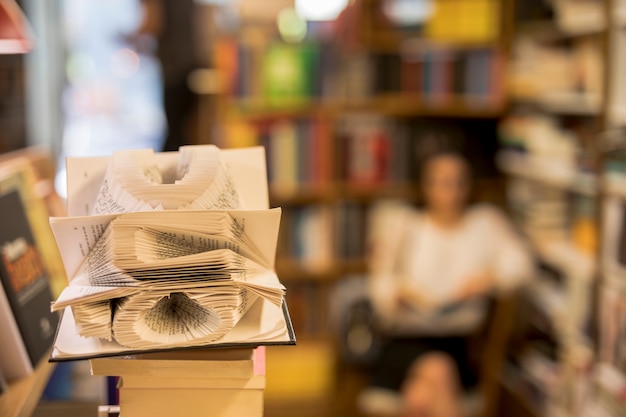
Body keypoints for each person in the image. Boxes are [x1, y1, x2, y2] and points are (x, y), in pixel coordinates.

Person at [362, 145, 533, 417]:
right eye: (441, 182)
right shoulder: (405, 225)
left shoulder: (485, 224)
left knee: (420, 396)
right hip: (408, 338)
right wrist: (397, 295)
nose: (449, 190)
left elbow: (522, 265)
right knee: (435, 376)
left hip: (460, 342)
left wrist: (489, 278)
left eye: (457, 182)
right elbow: (380, 286)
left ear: (468, 185)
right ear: (425, 185)